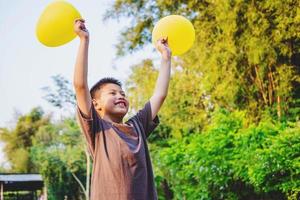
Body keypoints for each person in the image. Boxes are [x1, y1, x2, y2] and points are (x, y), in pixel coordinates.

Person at [73, 18, 171, 200]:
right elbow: (80, 86)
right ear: (96, 104)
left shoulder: (138, 127)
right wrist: (84, 40)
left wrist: (165, 57)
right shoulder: (97, 129)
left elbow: (160, 95)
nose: (120, 96)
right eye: (112, 93)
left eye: (123, 93)